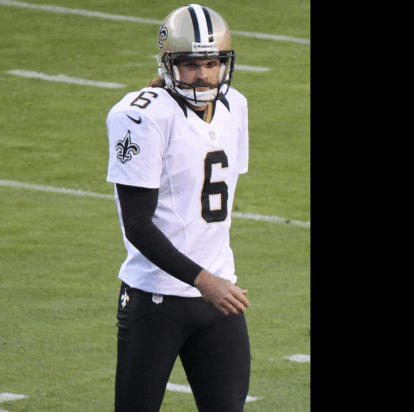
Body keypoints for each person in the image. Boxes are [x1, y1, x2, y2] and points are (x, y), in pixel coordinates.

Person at [105, 4, 251, 411]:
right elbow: (137, 224)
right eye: (190, 64)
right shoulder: (141, 116)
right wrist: (204, 280)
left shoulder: (235, 105)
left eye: (211, 62)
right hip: (157, 299)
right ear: (169, 64)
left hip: (220, 298)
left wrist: (213, 282)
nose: (202, 74)